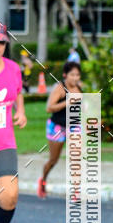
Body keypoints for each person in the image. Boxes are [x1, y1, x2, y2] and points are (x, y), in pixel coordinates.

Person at [0, 22, 27, 223]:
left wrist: (21, 112)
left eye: (1, 42)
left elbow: (17, 93)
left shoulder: (14, 69)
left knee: (9, 196)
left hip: (4, 141)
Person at [37, 61, 82, 198]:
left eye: (77, 75)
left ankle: (75, 191)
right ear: (65, 75)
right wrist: (67, 102)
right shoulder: (59, 88)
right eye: (72, 75)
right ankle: (43, 180)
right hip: (57, 127)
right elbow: (49, 108)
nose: (75, 78)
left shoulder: (80, 88)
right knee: (53, 160)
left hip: (74, 125)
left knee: (76, 158)